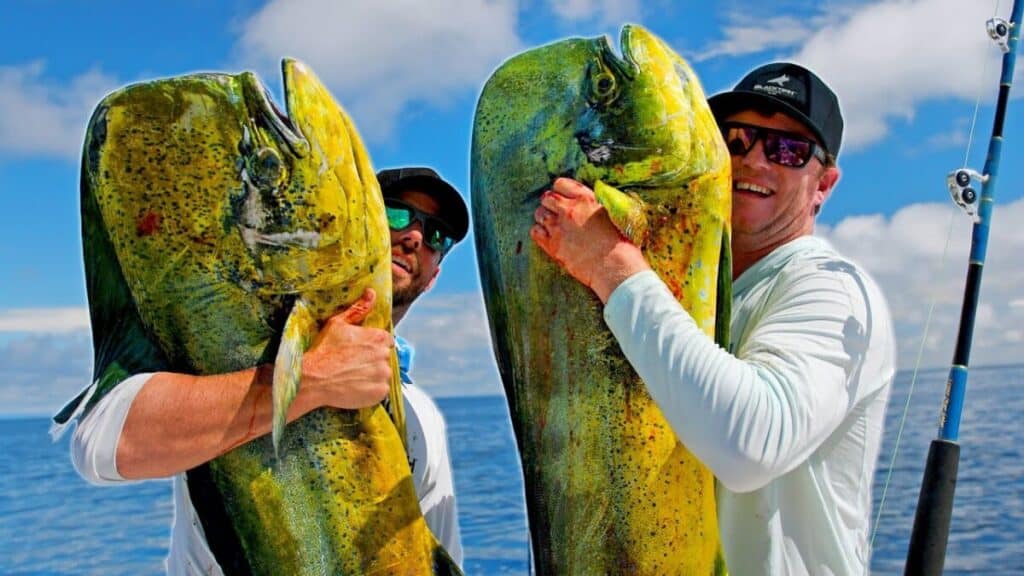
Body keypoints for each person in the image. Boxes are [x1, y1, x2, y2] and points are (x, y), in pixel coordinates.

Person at [529, 62, 896, 575]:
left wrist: (608, 264)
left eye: (787, 150)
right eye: (737, 139)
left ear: (824, 185)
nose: (754, 162)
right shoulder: (688, 290)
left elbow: (749, 444)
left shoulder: (830, 289)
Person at [67, 166, 469, 574]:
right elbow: (99, 446)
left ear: (434, 275)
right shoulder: (246, 347)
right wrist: (307, 379)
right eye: (396, 214)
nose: (414, 236)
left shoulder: (422, 418)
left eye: (436, 235)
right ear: (354, 229)